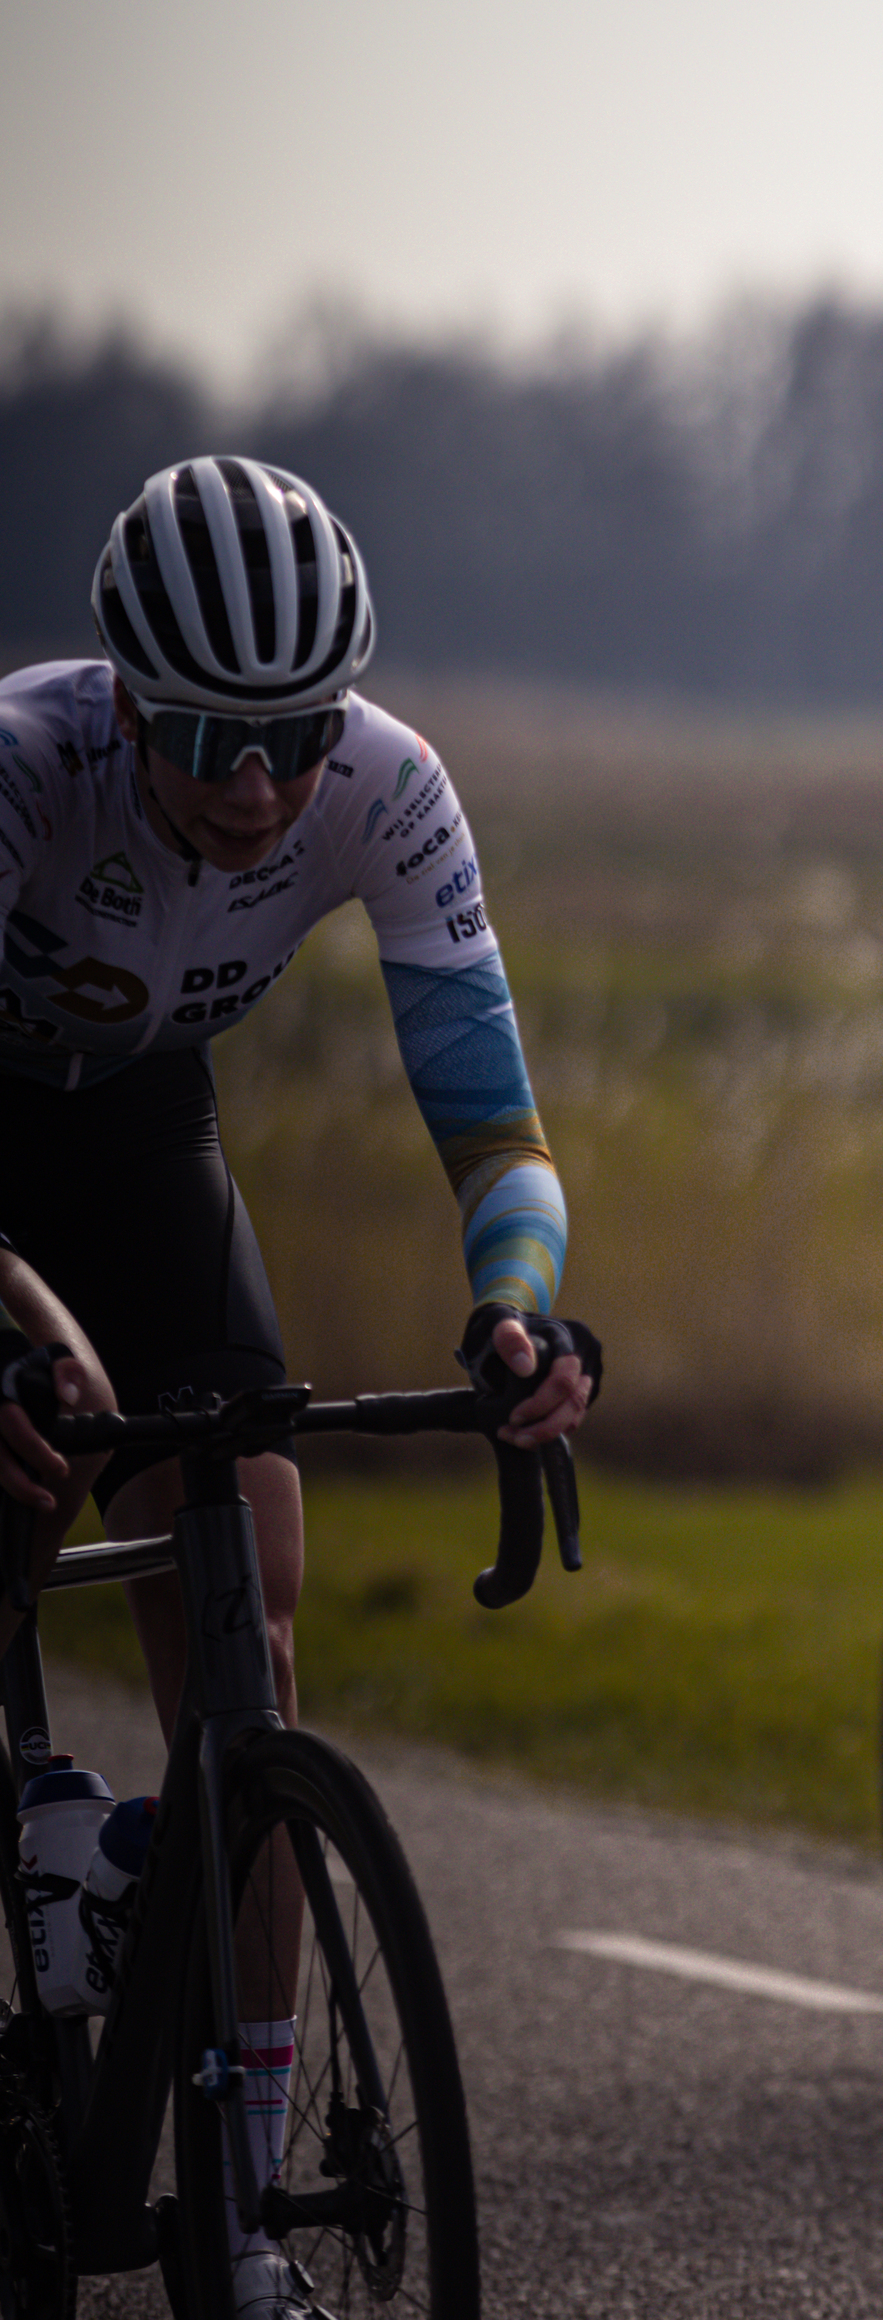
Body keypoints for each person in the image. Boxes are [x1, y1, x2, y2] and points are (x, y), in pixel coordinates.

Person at [0, 455, 594, 2317]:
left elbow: (500, 1134)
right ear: (121, 694)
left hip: (140, 1146)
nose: (256, 784)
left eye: (290, 734)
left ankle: (241, 2200)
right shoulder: (26, 767)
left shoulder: (390, 790)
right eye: (203, 735)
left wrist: (518, 1314)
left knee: (248, 1582)